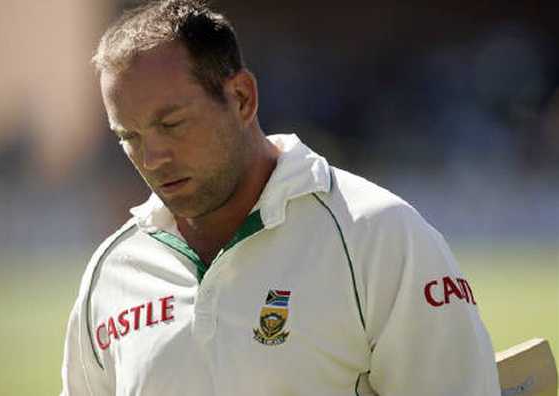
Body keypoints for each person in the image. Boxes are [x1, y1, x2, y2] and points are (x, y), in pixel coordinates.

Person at [60, 1, 501, 395]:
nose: (151, 157)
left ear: (241, 98)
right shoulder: (110, 272)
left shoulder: (378, 234)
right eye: (128, 137)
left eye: (172, 124)